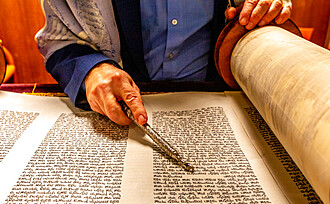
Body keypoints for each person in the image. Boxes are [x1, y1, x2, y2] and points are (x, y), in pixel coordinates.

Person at [36, 0, 292, 125]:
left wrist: (266, 7)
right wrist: (92, 69)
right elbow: (61, 39)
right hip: (124, 110)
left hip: (226, 104)